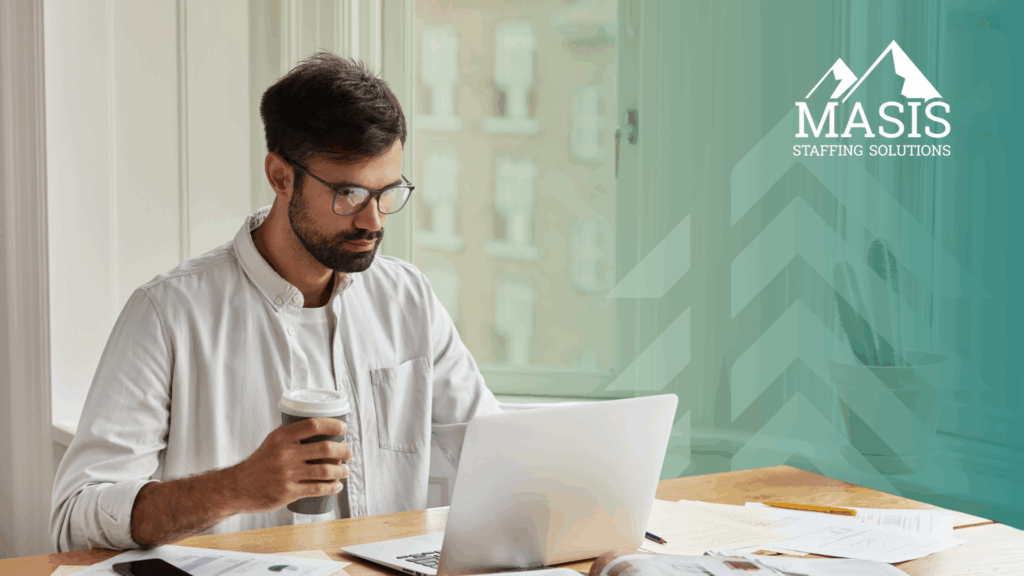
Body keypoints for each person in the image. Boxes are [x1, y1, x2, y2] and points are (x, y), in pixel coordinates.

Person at [50, 52, 501, 553]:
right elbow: (75, 517)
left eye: (387, 192)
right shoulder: (167, 314)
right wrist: (238, 486)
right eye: (349, 193)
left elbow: (499, 455)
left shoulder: (409, 299)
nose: (374, 221)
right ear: (281, 176)